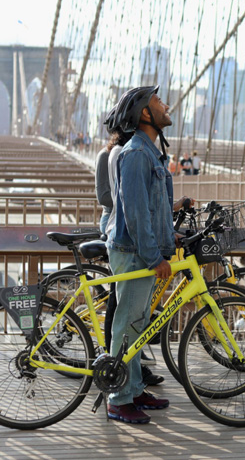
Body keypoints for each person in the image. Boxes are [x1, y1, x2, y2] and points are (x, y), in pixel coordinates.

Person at [103, 85, 175, 424]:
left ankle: (133, 388)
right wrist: (152, 256)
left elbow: (153, 208)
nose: (165, 105)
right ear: (145, 114)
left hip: (143, 253)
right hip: (134, 254)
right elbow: (135, 214)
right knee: (127, 328)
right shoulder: (135, 154)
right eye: (158, 102)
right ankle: (118, 399)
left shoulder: (150, 153)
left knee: (138, 326)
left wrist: (167, 243)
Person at [98, 118, 164, 387]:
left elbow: (146, 204)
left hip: (132, 237)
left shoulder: (139, 152)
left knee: (135, 321)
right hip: (124, 236)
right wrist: (154, 256)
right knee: (125, 318)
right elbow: (126, 206)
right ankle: (121, 389)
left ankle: (134, 385)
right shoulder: (126, 154)